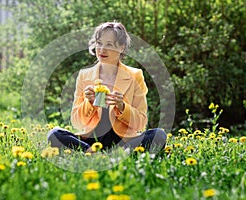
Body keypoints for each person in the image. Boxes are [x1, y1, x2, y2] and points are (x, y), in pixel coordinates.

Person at [47, 21, 166, 153]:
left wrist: (122, 107)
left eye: (109, 45)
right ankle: (90, 152)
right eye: (99, 43)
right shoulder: (84, 75)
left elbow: (141, 122)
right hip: (90, 140)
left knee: (158, 135)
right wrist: (89, 103)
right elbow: (76, 122)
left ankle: (116, 153)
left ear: (121, 47)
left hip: (122, 140)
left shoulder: (135, 75)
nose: (102, 49)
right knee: (54, 134)